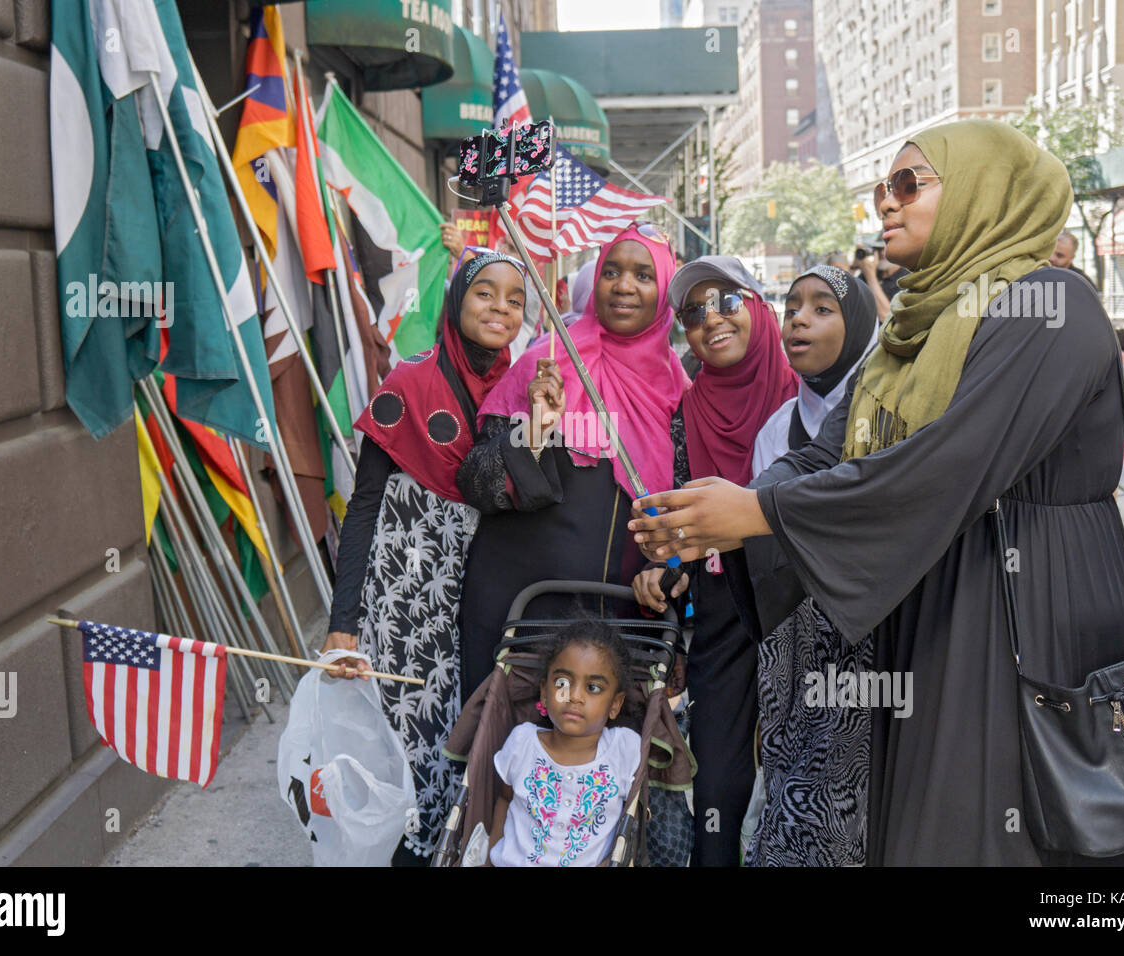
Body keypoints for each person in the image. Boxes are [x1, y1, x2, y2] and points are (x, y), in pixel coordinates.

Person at [627, 119, 1124, 866]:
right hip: (936, 610)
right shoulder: (911, 330)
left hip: (1032, 610)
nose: (887, 202)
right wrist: (719, 515)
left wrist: (756, 512)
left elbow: (948, 465)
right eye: (884, 187)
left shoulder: (1052, 309)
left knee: (1014, 826)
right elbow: (822, 452)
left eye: (911, 184)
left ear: (983, 193)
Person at [323, 253, 526, 865]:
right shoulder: (408, 383)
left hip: (480, 593)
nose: (499, 308)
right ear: (456, 302)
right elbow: (362, 509)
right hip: (404, 595)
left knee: (467, 740)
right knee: (404, 743)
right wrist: (342, 621)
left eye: (514, 299)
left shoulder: (524, 387)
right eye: (485, 294)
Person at [456, 222, 688, 701]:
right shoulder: (547, 362)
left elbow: (686, 514)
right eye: (612, 272)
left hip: (619, 623)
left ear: (664, 289)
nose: (624, 285)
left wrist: (668, 570)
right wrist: (537, 428)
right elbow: (477, 484)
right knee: (501, 761)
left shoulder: (678, 390)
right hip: (517, 613)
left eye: (643, 275)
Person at [630, 255, 798, 866]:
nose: (711, 320)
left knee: (809, 766)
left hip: (804, 605)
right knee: (719, 778)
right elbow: (687, 529)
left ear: (758, 308)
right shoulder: (689, 410)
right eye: (693, 313)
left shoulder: (807, 397)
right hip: (726, 608)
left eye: (727, 301)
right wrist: (664, 564)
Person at [742, 264, 878, 866]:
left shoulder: (886, 417)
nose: (798, 317)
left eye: (823, 308)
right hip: (794, 643)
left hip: (874, 636)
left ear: (860, 326)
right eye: (792, 305)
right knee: (798, 800)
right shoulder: (776, 432)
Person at [488, 619, 641, 866]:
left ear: (615, 704)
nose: (575, 696)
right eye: (562, 683)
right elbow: (504, 800)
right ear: (544, 693)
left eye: (593, 687)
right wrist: (488, 859)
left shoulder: (623, 749)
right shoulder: (522, 742)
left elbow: (634, 826)